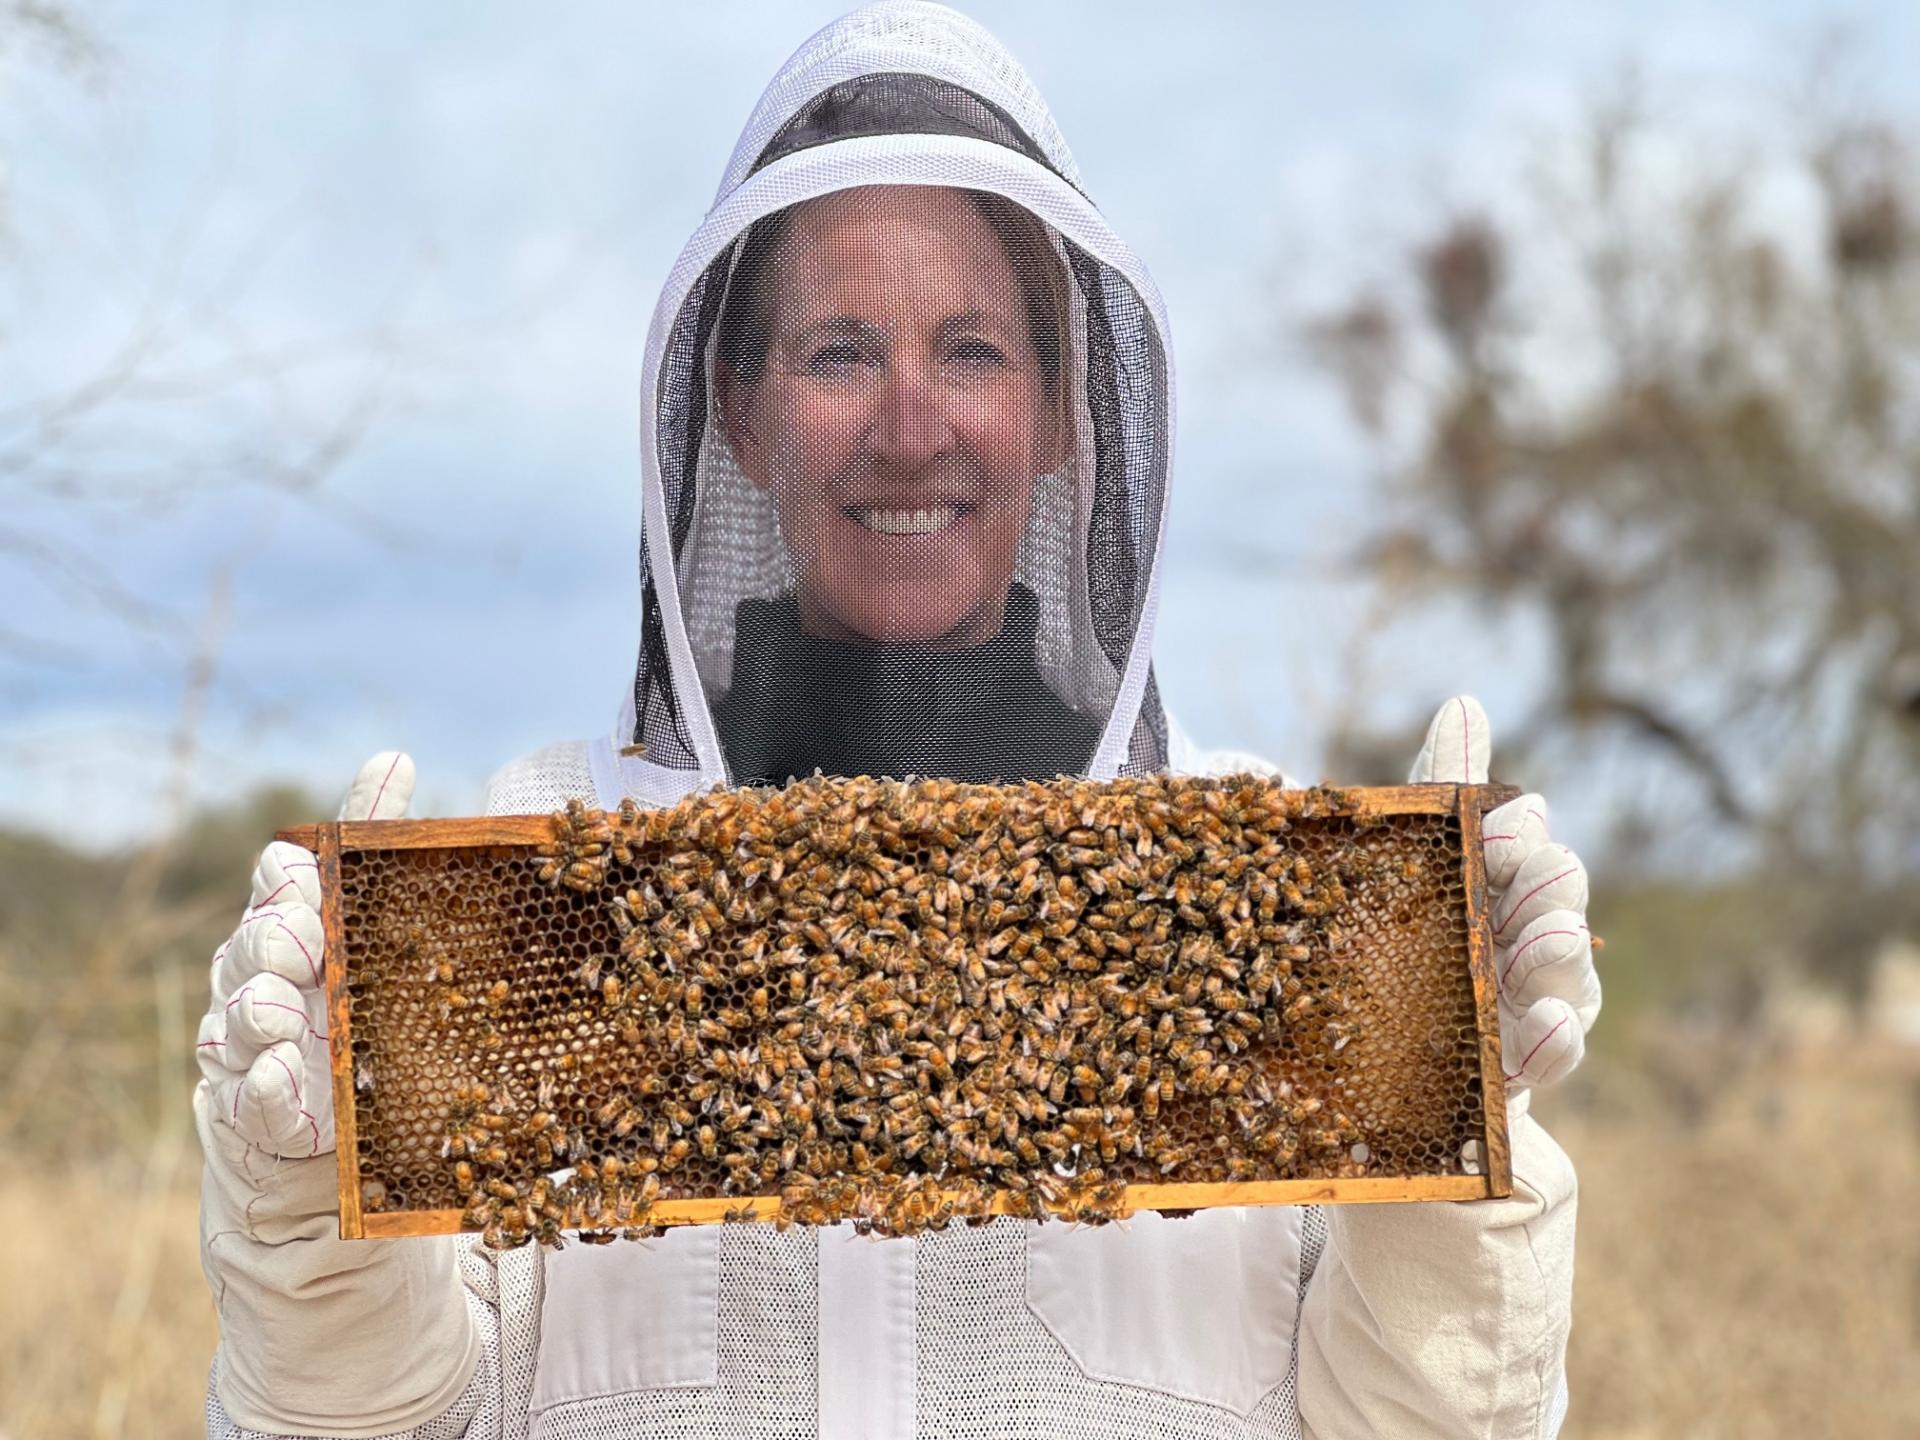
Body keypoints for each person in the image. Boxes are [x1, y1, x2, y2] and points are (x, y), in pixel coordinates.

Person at [195, 6, 1602, 1438]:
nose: (913, 425)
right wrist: (313, 1236)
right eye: (841, 352)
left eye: (974, 350)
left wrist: (1449, 1138)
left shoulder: (1273, 898)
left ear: (1061, 410)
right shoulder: (550, 872)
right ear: (740, 414)